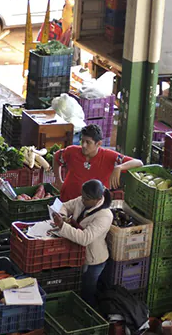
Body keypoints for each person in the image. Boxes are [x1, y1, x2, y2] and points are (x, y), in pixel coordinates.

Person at [51, 179, 113, 307]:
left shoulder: (105, 216)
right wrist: (61, 215)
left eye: (86, 199)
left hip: (93, 260)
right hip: (76, 254)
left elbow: (85, 238)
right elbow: (65, 206)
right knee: (77, 287)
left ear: (97, 199)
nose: (82, 200)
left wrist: (63, 226)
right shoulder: (83, 200)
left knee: (87, 292)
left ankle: (88, 312)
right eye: (82, 196)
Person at [53, 124, 143, 202]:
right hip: (67, 200)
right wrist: (59, 181)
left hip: (93, 207)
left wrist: (119, 167)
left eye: (88, 142)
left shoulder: (109, 156)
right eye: (82, 141)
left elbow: (139, 163)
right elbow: (56, 157)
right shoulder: (72, 151)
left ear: (98, 143)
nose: (83, 145)